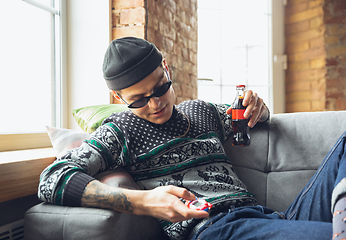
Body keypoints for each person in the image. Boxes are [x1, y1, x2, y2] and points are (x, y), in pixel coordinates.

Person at [38, 37, 346, 240]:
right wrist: (143, 201)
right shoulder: (119, 130)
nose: (156, 103)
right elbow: (52, 179)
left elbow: (250, 117)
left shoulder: (201, 111)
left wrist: (259, 107)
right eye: (139, 100)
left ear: (166, 69)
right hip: (213, 228)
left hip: (270, 219)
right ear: (118, 97)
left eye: (160, 88)